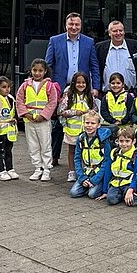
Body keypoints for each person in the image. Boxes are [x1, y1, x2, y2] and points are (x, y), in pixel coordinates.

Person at [46, 12, 100, 167]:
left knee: (82, 121)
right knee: (58, 124)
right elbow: (48, 64)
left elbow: (94, 66)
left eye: (77, 24)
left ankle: (82, 161)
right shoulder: (55, 41)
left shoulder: (89, 42)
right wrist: (49, 87)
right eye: (71, 24)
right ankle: (54, 157)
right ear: (66, 25)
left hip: (82, 88)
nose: (74, 27)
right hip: (61, 88)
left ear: (81, 26)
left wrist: (95, 87)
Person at [15, 59, 59, 182]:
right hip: (29, 120)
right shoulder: (25, 85)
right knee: (33, 145)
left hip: (43, 121)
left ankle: (46, 169)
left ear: (45, 71)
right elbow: (19, 100)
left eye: (40, 70)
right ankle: (37, 168)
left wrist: (44, 115)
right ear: (31, 70)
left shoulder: (50, 86)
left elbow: (52, 102)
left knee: (45, 144)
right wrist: (25, 114)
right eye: (35, 70)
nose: (37, 73)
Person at [58, 72, 99, 182]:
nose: (81, 85)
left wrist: (90, 111)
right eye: (78, 82)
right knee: (72, 151)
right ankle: (72, 171)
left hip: (87, 130)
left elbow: (95, 109)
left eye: (83, 83)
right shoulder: (69, 95)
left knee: (85, 150)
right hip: (72, 130)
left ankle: (84, 169)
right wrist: (75, 112)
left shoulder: (89, 96)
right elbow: (61, 111)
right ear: (73, 83)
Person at [69, 111, 113, 200]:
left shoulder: (103, 140)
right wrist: (82, 178)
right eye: (87, 123)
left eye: (93, 123)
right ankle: (87, 184)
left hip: (98, 173)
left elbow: (106, 161)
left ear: (98, 125)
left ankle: (93, 186)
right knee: (74, 193)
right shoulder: (81, 139)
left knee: (92, 194)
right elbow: (77, 159)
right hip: (86, 172)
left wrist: (94, 180)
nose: (89, 126)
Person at [96, 20, 137, 91]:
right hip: (107, 94)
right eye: (115, 31)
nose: (118, 33)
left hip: (131, 93)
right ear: (109, 33)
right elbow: (95, 70)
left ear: (124, 32)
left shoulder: (136, 46)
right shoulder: (100, 48)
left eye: (120, 30)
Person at [106, 126, 137, 206]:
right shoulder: (114, 152)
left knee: (132, 202)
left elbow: (136, 175)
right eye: (121, 141)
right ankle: (124, 195)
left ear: (133, 141)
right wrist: (104, 191)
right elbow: (108, 171)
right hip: (116, 183)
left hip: (130, 183)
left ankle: (134, 194)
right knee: (111, 200)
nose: (124, 144)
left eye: (127, 141)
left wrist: (131, 189)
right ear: (117, 141)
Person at [0, 76, 19, 181]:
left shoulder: (11, 99)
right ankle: (1, 171)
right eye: (3, 87)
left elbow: (14, 113)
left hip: (9, 131)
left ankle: (10, 168)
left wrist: (15, 119)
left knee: (8, 150)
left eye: (8, 87)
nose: (7, 89)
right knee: (0, 151)